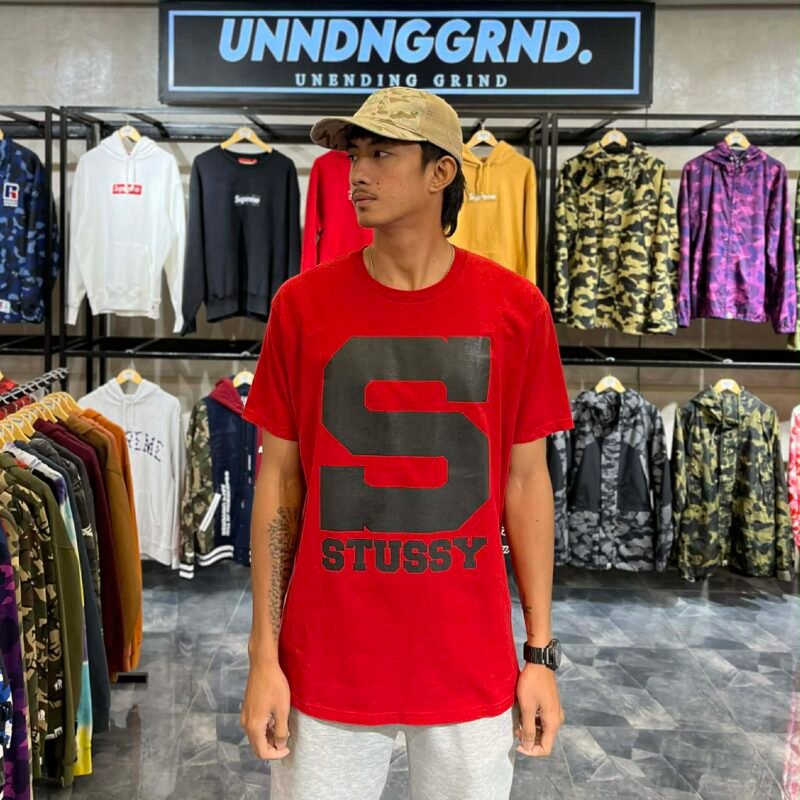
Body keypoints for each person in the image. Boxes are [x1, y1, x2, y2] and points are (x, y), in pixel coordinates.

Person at [239, 86, 574, 800]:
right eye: (353, 155)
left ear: (441, 172)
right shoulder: (301, 306)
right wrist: (263, 654)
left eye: (381, 155)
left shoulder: (517, 310)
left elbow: (526, 484)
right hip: (327, 661)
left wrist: (539, 653)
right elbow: (278, 483)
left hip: (468, 662)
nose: (357, 173)